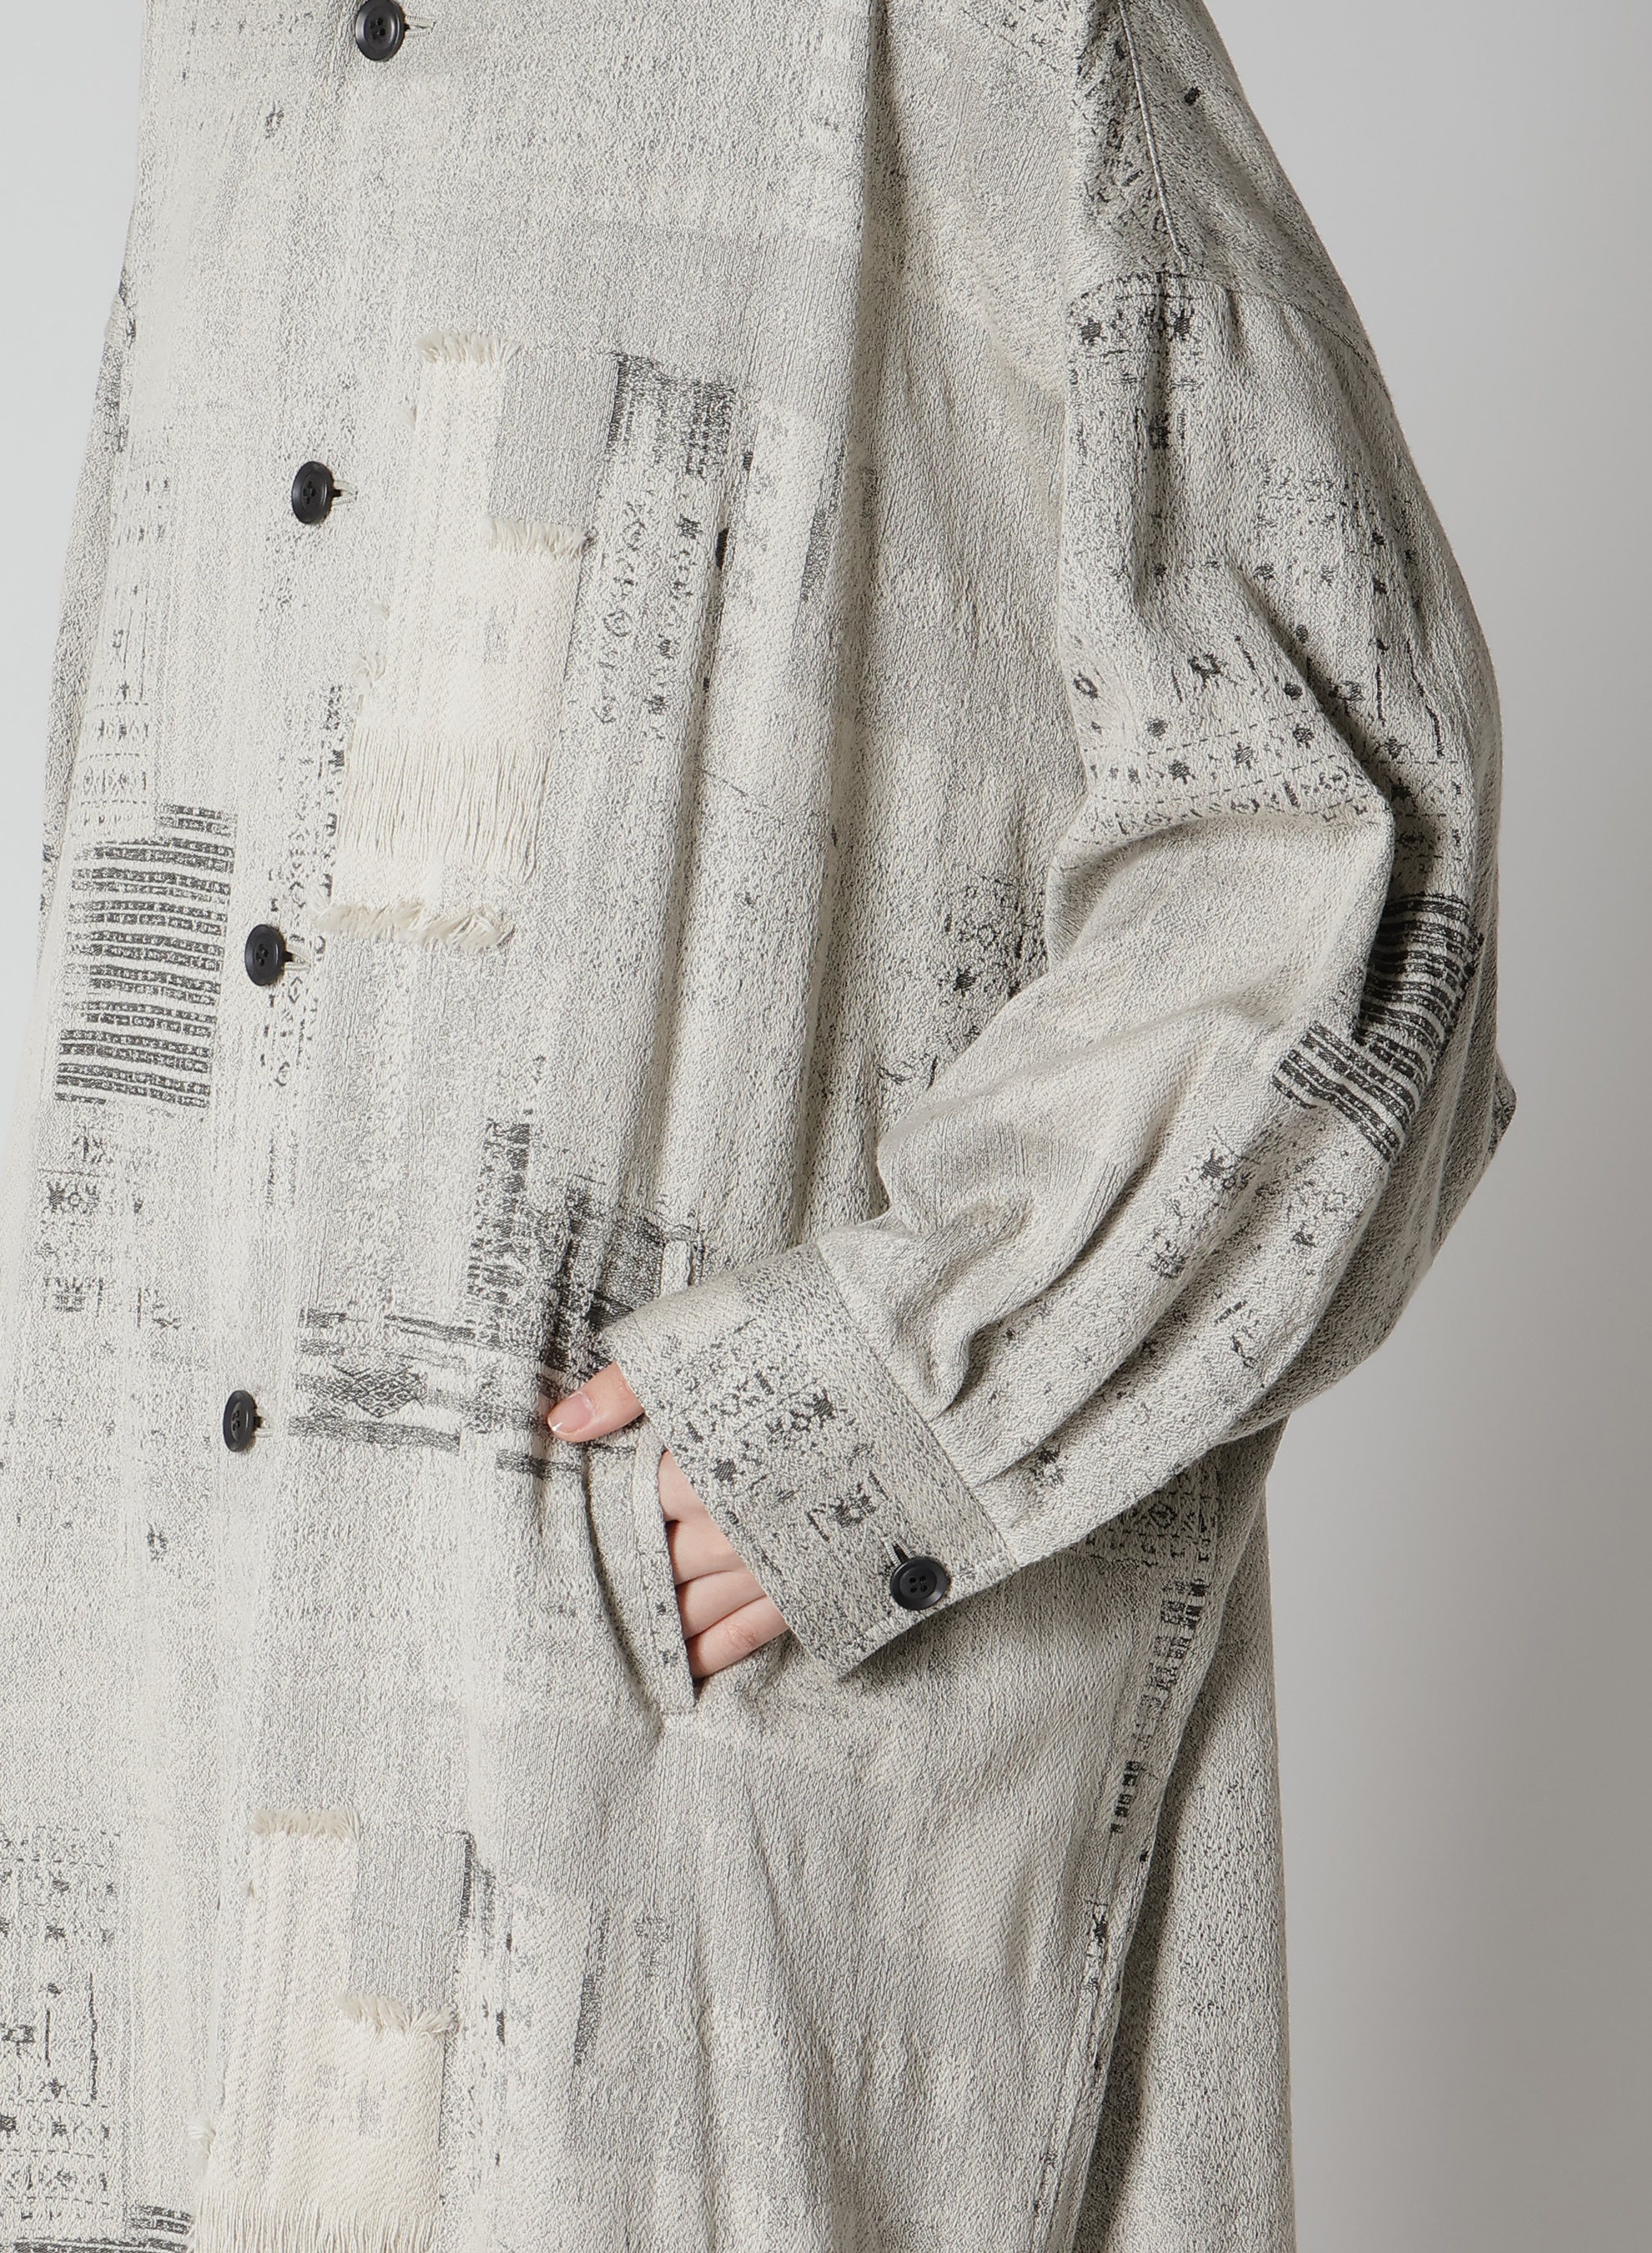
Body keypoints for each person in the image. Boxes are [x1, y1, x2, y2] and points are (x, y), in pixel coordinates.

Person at [0, 3, 1513, 2250]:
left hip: (680, 1858)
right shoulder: (217, 40)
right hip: (174, 1776)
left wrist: (868, 1410)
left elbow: (1347, 840)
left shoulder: (976, 33)